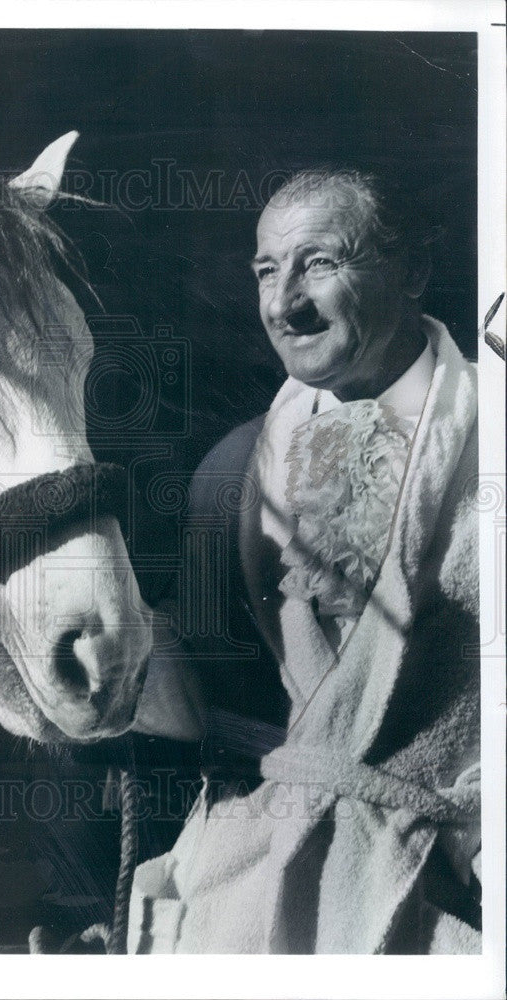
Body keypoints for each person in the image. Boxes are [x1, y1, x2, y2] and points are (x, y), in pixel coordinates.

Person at [127, 169, 481, 954]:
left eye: (320, 263)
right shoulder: (234, 468)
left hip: (462, 894)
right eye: (266, 271)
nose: (284, 304)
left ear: (413, 271)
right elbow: (202, 716)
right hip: (256, 890)